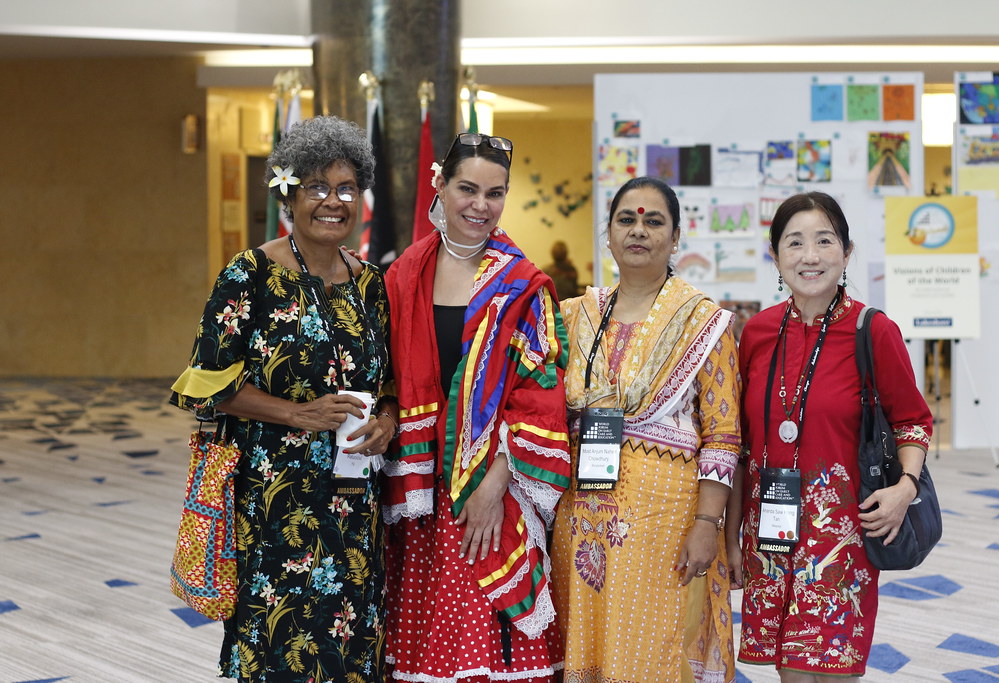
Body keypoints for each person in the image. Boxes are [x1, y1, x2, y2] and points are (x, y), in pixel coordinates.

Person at [170, 115, 396, 682]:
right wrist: (297, 413)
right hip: (273, 501)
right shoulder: (250, 274)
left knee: (350, 643)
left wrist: (388, 419)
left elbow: (391, 380)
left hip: (354, 503)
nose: (333, 202)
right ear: (288, 195)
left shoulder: (371, 284)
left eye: (347, 188)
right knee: (279, 646)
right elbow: (206, 384)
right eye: (317, 187)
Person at [382, 133, 571, 681]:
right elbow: (383, 374)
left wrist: (494, 485)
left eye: (495, 193)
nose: (480, 206)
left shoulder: (523, 285)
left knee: (486, 644)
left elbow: (541, 397)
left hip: (490, 490)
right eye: (467, 189)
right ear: (440, 185)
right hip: (418, 493)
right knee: (427, 644)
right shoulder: (404, 275)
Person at [729, 191, 932, 681]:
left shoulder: (873, 330)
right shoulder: (756, 333)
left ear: (846, 251)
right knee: (790, 671)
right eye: (795, 242)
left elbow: (912, 421)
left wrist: (905, 487)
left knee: (834, 670)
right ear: (775, 254)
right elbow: (738, 446)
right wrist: (731, 537)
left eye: (824, 241)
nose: (810, 256)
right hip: (769, 534)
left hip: (842, 537)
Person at [551, 176, 742, 682]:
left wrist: (707, 524)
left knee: (652, 652)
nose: (638, 230)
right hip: (580, 520)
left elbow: (723, 435)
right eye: (626, 220)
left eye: (654, 221)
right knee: (586, 646)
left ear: (675, 238)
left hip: (666, 528)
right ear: (609, 234)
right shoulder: (572, 316)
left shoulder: (705, 324)